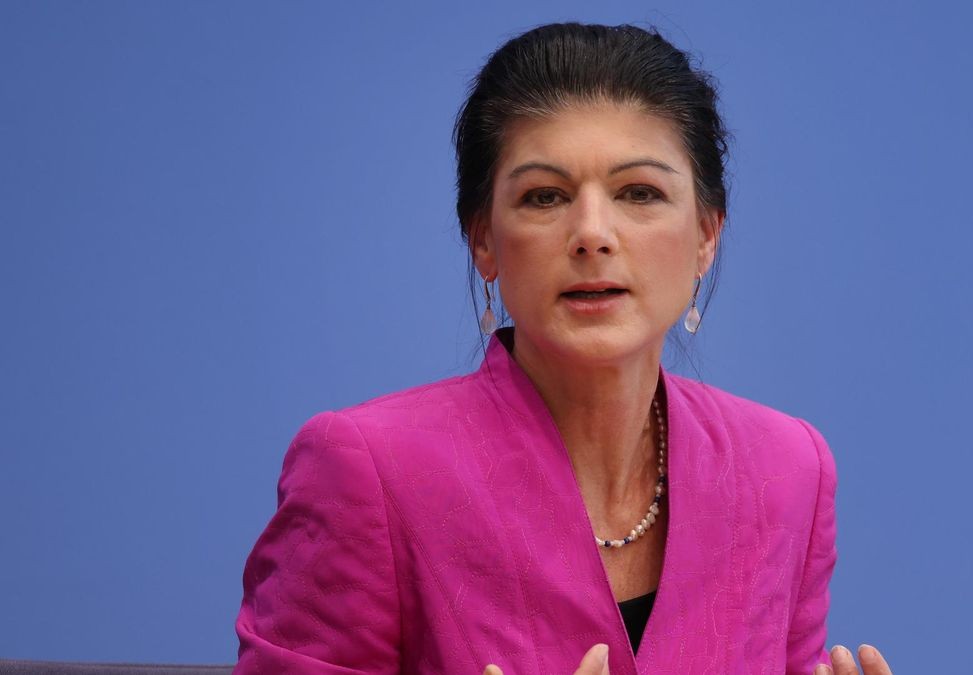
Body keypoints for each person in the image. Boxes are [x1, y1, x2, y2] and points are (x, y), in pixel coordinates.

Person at [232, 21, 894, 675]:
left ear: (706, 236)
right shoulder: (366, 470)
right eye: (544, 196)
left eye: (640, 192)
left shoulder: (787, 471)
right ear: (483, 240)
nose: (592, 233)